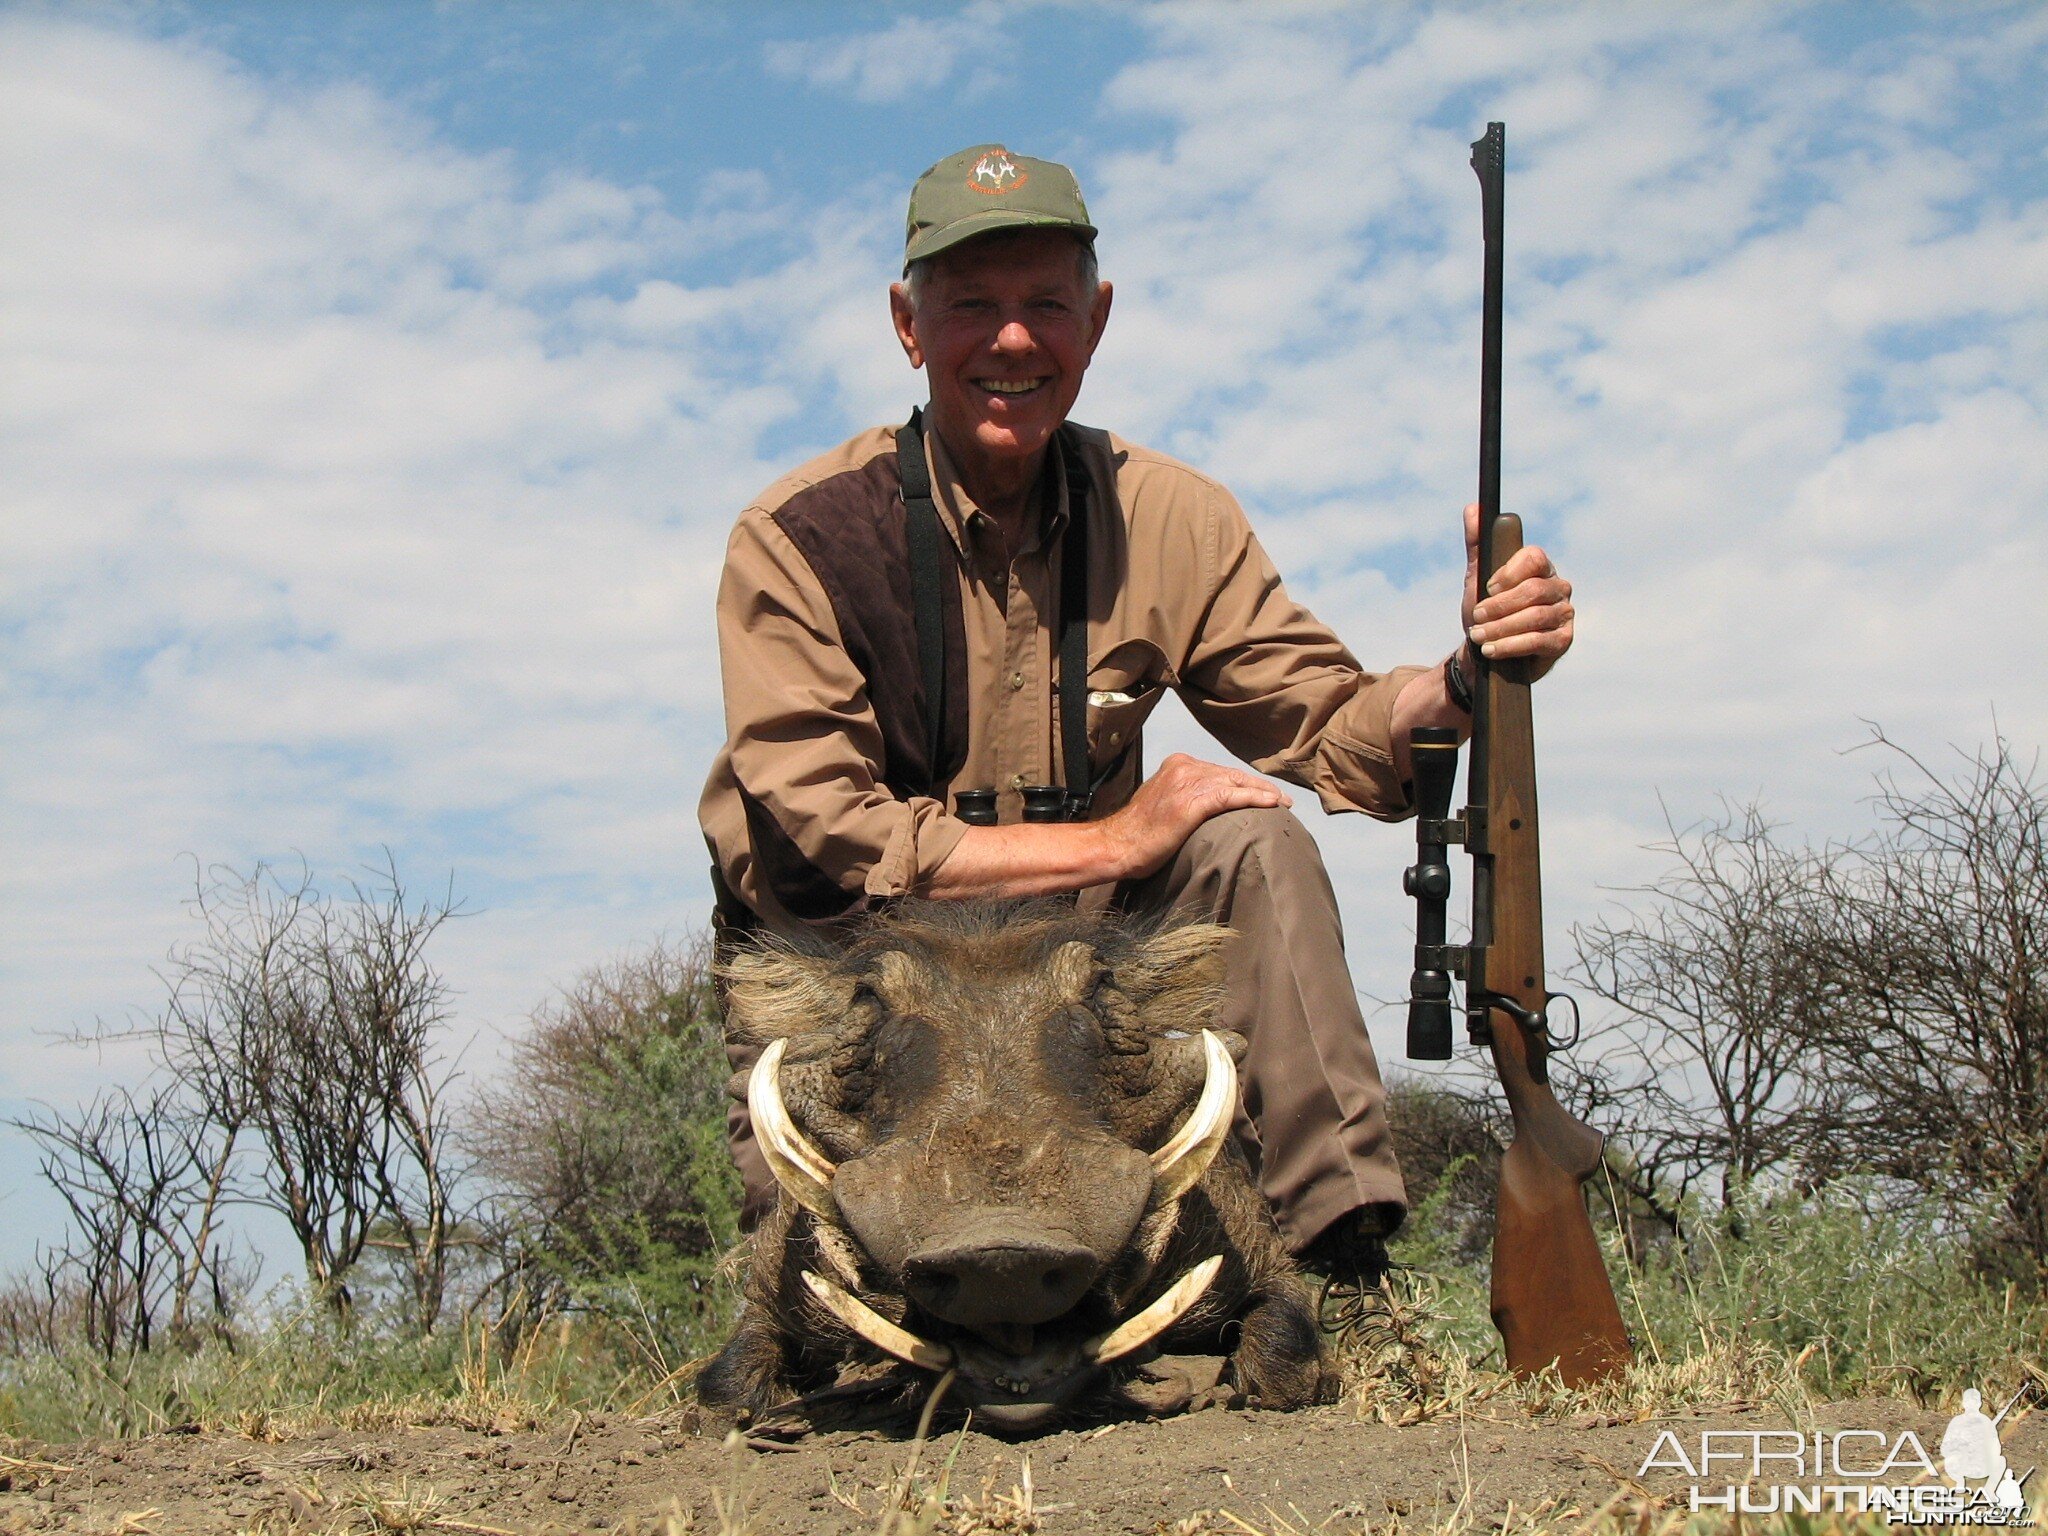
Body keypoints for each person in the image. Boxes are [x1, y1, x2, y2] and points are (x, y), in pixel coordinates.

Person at [698, 144, 1576, 1291]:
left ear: (1096, 319)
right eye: (970, 307)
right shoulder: (797, 537)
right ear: (908, 327)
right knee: (839, 1332)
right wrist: (1116, 839)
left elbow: (1330, 722)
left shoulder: (1172, 515)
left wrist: (1463, 677)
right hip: (859, 969)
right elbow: (841, 836)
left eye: (1044, 305)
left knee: (1252, 841)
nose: (1012, 341)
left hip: (1073, 974)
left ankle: (1342, 1262)